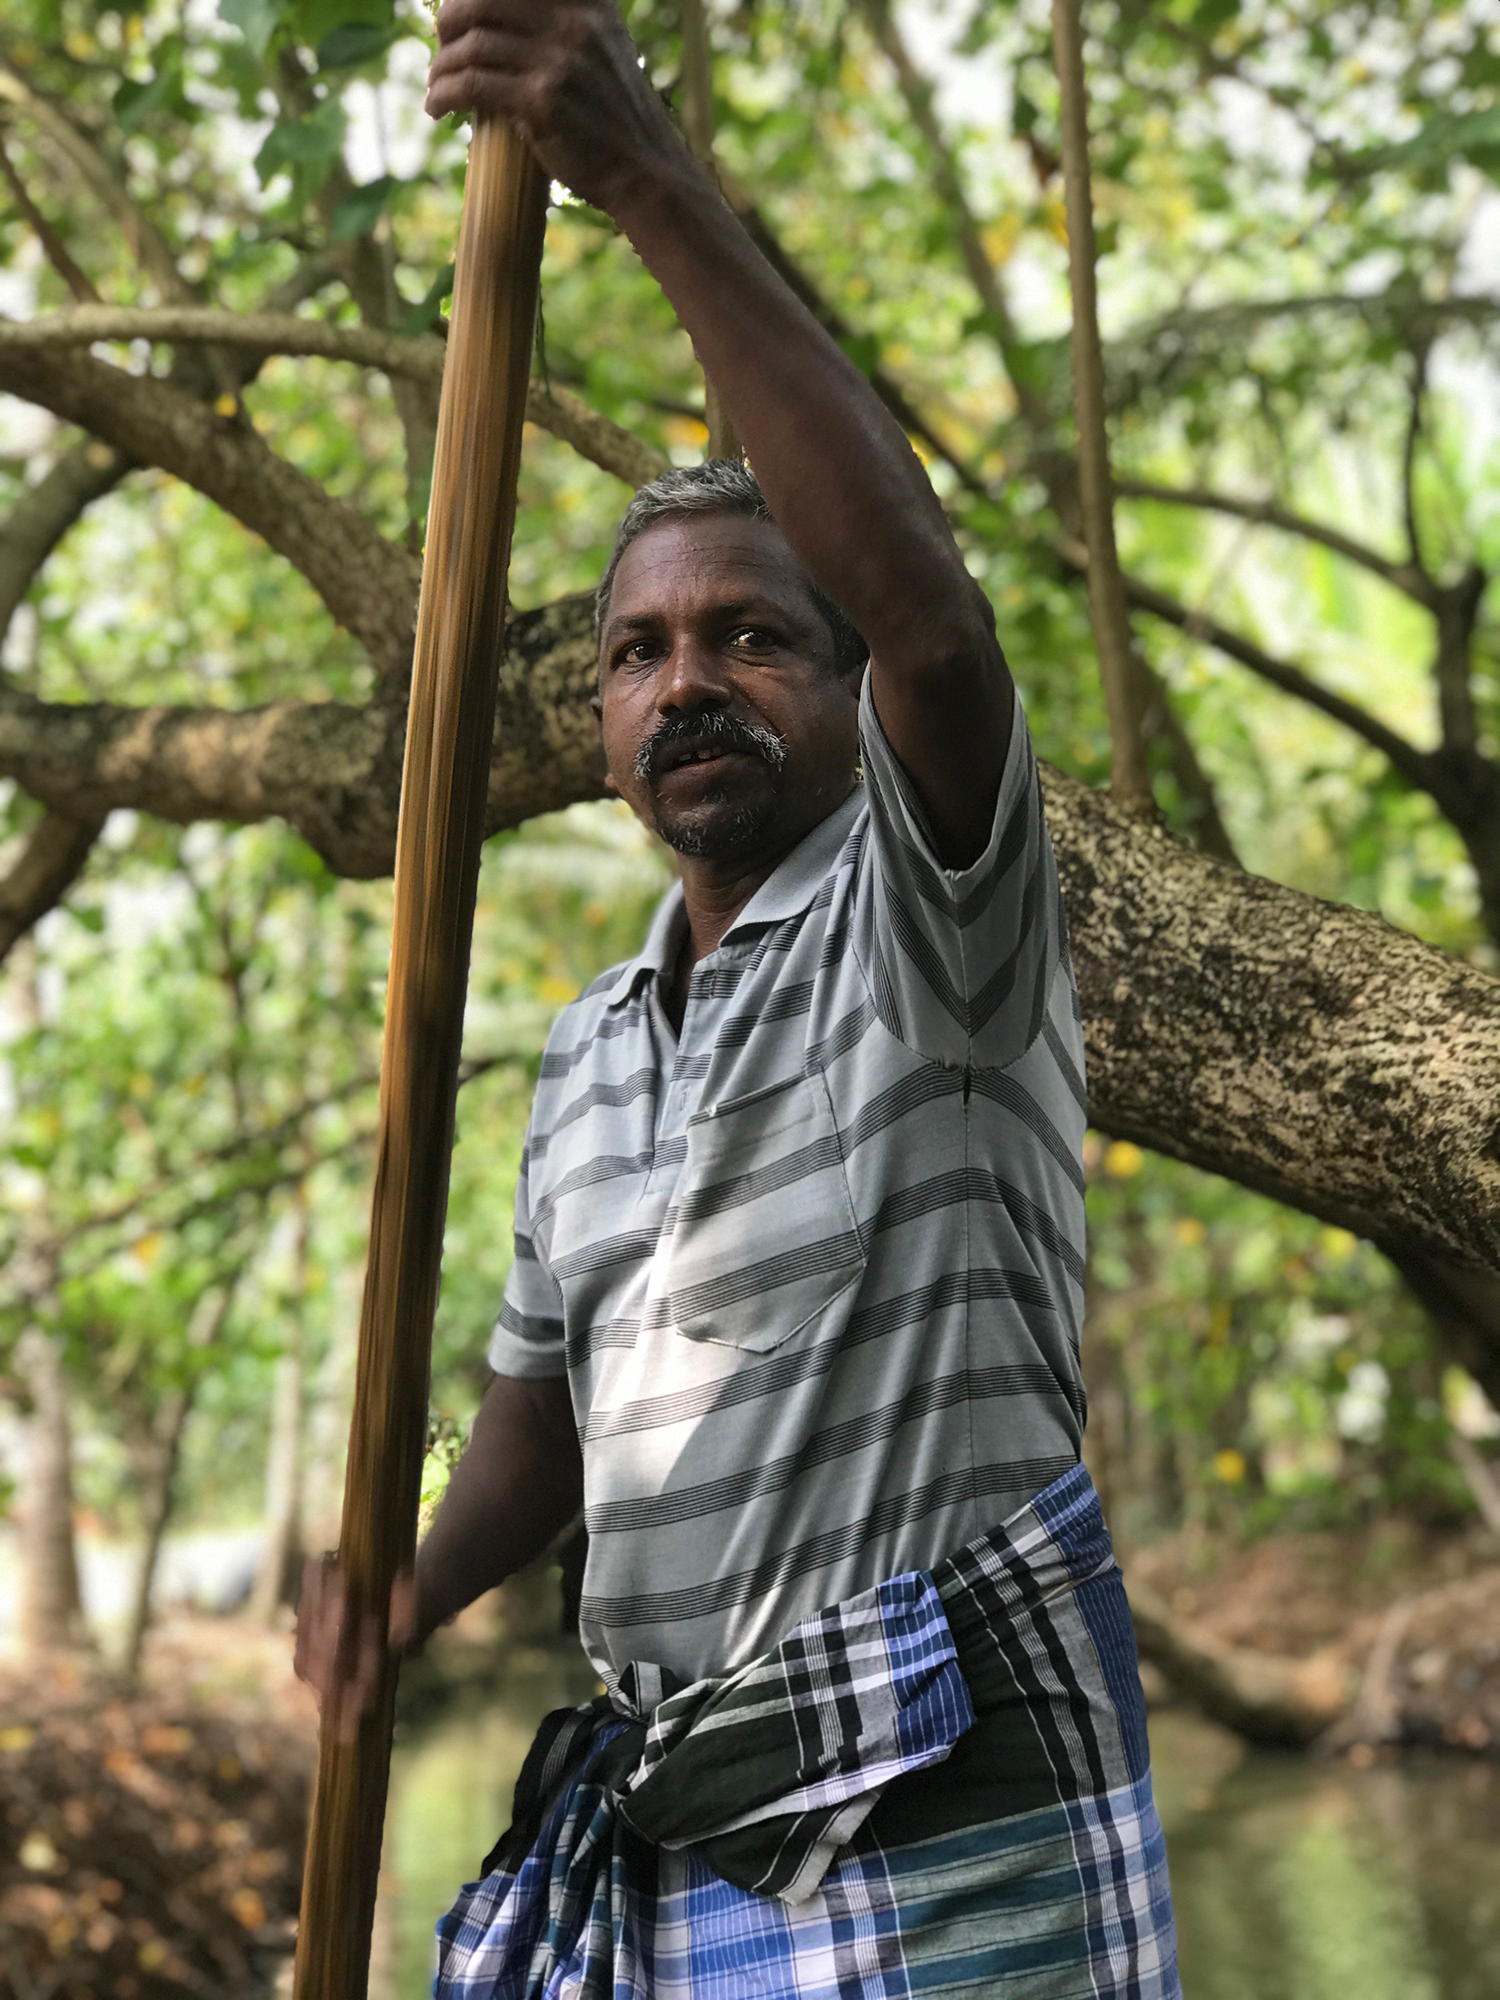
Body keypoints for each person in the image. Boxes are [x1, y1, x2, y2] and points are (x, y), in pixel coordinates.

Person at [297, 0, 1181, 1991]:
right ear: (598, 718)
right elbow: (533, 1406)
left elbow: (941, 626)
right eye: (638, 650)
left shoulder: (932, 911)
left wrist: (647, 182)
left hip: (955, 1821)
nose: (684, 676)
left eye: (751, 631)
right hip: (688, 1834)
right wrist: (404, 1569)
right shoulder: (591, 1046)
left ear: (844, 675)